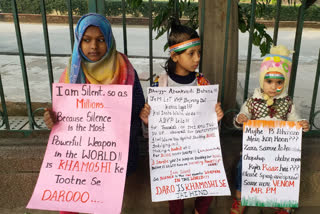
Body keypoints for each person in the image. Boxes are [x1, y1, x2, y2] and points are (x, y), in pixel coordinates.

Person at [43, 13, 145, 214]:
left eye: (100, 40)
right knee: (71, 201)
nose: (93, 47)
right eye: (86, 40)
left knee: (104, 205)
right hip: (79, 155)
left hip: (112, 154)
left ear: (109, 39)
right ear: (78, 42)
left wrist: (119, 114)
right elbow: (62, 115)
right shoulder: (73, 71)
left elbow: (138, 106)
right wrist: (52, 119)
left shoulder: (124, 67)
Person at [139, 20, 224, 214]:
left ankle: (199, 211)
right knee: (175, 191)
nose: (197, 58)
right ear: (174, 56)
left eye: (199, 52)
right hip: (172, 153)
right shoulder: (160, 84)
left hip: (199, 150)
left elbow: (210, 129)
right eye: (191, 53)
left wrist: (216, 119)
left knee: (208, 183)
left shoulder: (203, 84)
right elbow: (150, 131)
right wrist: (147, 121)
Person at [230, 45, 310, 214]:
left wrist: (301, 123)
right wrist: (240, 118)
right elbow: (242, 116)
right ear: (262, 80)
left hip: (279, 153)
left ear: (285, 82)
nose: (274, 87)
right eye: (269, 81)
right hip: (255, 152)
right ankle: (240, 197)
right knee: (242, 166)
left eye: (279, 82)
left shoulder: (287, 103)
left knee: (287, 172)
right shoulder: (252, 101)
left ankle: (284, 204)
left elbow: (294, 121)